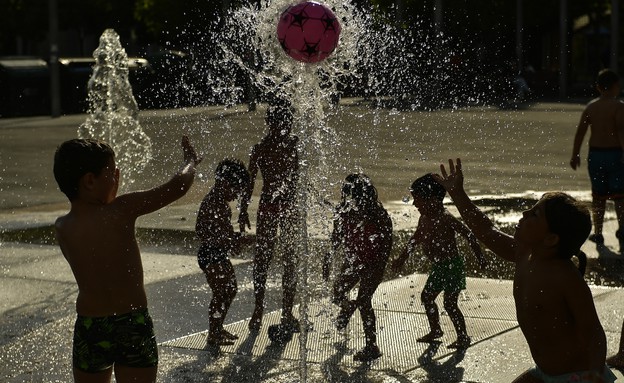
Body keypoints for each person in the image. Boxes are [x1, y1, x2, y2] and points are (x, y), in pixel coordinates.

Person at [434, 158, 616, 383]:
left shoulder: (565, 278)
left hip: (576, 377)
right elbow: (486, 231)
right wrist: (458, 194)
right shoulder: (524, 255)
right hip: (543, 372)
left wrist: (595, 374)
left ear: (551, 239)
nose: (524, 213)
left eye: (535, 214)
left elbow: (593, 332)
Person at [53, 136, 201, 383]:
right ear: (90, 181)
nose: (117, 175)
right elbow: (177, 187)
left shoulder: (62, 227)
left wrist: (106, 191)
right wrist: (190, 162)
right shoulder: (122, 210)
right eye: (111, 171)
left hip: (91, 326)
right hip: (132, 321)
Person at [392, 173, 486, 349]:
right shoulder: (425, 218)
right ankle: (436, 330)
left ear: (434, 199)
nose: (414, 204)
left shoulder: (445, 217)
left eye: (418, 200)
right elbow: (416, 238)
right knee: (427, 297)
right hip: (439, 267)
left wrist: (480, 257)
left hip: (452, 265)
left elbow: (468, 235)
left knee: (450, 303)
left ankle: (463, 336)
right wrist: (402, 258)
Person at [239, 102, 300, 332]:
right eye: (281, 124)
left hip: (273, 206)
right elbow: (250, 180)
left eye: (285, 124)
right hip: (280, 206)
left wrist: (244, 209)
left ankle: (275, 311)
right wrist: (243, 209)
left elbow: (250, 181)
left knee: (279, 258)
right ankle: (265, 310)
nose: (283, 128)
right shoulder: (289, 145)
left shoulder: (263, 147)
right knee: (275, 258)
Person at [322, 173, 393, 361]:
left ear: (368, 194)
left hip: (373, 263)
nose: (356, 201)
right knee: (337, 292)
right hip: (353, 260)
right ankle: (347, 308)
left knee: (364, 301)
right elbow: (336, 238)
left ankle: (372, 346)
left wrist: (380, 264)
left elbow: (387, 239)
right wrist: (328, 257)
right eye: (352, 196)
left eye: (360, 196)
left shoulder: (377, 213)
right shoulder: (343, 210)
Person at [195, 159, 253, 346]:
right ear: (224, 183)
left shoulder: (222, 204)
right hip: (210, 254)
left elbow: (225, 232)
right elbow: (200, 231)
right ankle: (213, 333)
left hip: (218, 253)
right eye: (236, 190)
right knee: (221, 292)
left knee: (230, 289)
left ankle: (218, 327)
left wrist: (234, 239)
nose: (236, 196)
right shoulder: (212, 202)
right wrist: (225, 240)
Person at [570, 69, 624, 245]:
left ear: (598, 87)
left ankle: (598, 232)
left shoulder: (591, 106)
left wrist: (575, 154)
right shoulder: (619, 107)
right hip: (615, 153)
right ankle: (622, 230)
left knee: (598, 196)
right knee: (620, 195)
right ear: (616, 86)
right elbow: (621, 131)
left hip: (596, 154)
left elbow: (581, 132)